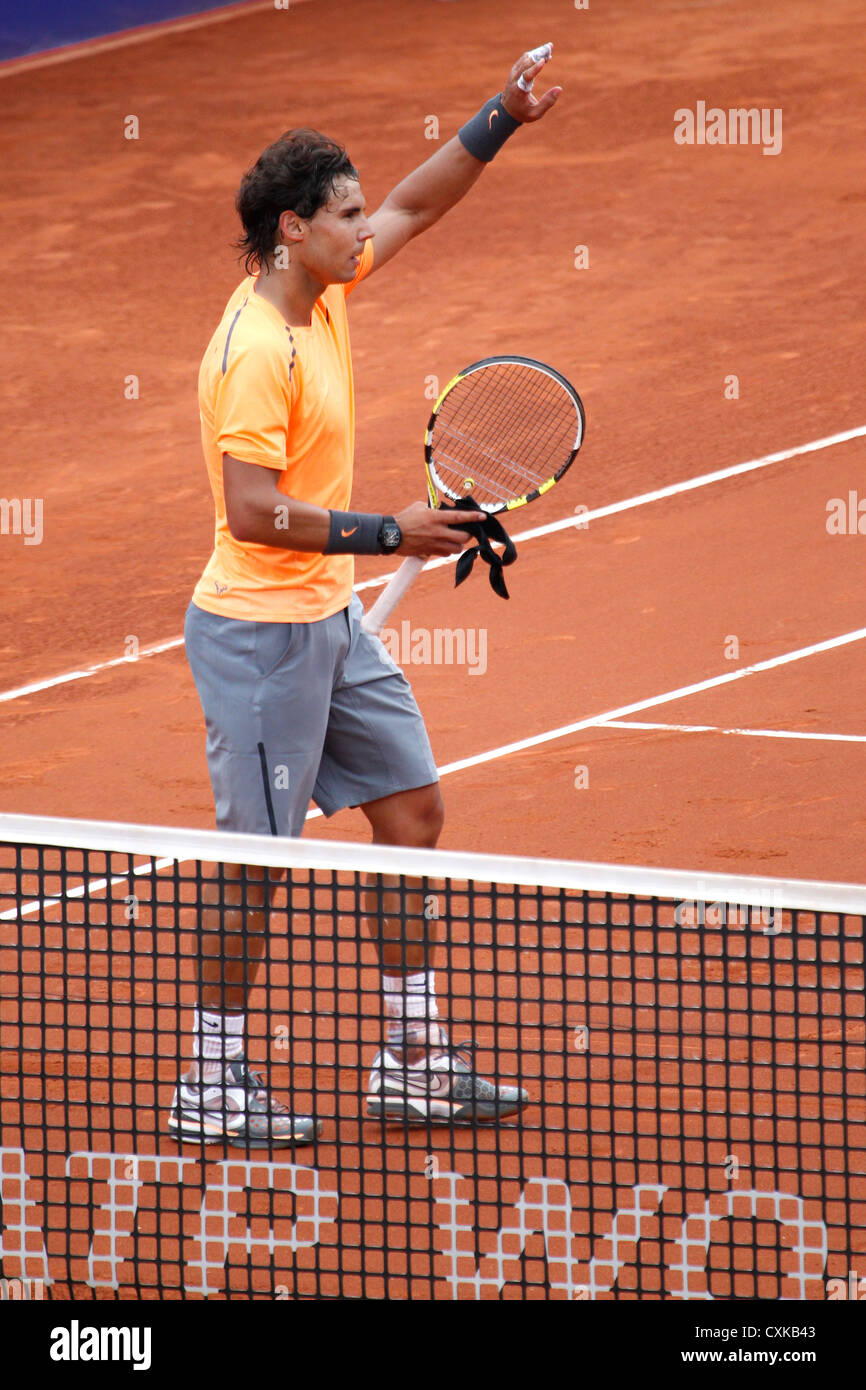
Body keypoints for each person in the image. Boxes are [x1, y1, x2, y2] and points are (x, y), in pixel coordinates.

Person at [170, 47, 562, 1147]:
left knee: (411, 811)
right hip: (258, 637)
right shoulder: (259, 349)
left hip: (327, 622)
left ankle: (411, 1058)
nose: (363, 227)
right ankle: (209, 1079)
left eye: (352, 213)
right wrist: (391, 530)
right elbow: (251, 511)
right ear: (291, 227)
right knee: (258, 868)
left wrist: (502, 115)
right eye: (341, 215)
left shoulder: (324, 286)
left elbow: (413, 201)